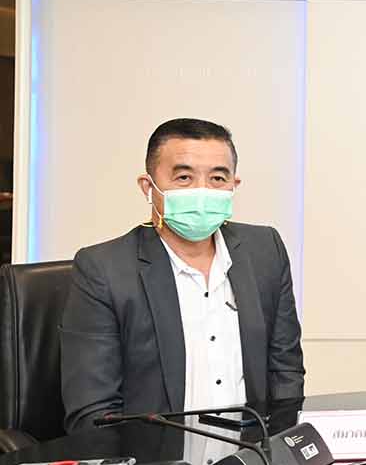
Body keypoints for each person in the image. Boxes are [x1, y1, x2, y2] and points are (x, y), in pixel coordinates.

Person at [61, 118, 304, 432]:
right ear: (148, 187)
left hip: (252, 452)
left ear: (234, 185)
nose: (202, 191)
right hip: (154, 456)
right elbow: (93, 413)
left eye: (217, 178)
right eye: (184, 177)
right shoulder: (103, 269)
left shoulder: (265, 250)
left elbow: (286, 372)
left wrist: (280, 446)